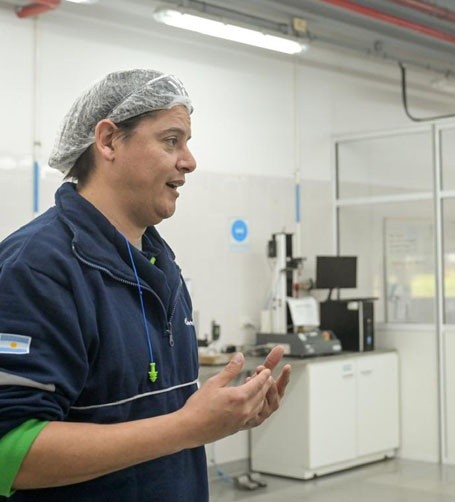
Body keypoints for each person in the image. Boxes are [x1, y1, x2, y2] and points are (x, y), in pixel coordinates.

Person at [0, 69, 292, 501]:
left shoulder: (160, 266)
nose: (189, 160)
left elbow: (163, 423)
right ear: (108, 141)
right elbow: (10, 452)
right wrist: (186, 427)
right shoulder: (38, 267)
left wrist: (224, 416)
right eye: (171, 140)